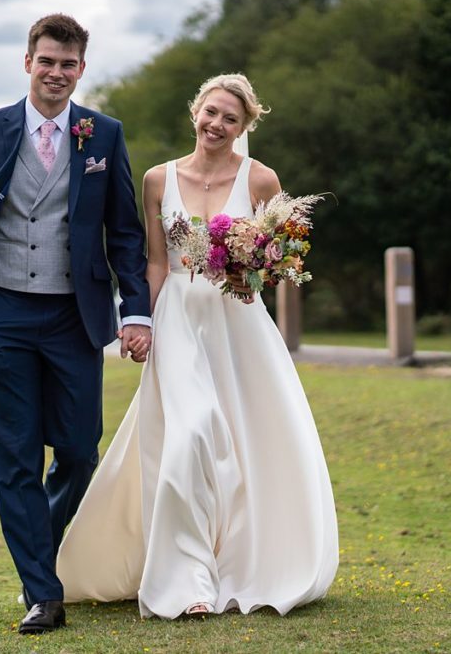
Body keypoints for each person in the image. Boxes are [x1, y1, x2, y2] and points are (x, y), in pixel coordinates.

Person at [56, 73, 339, 619]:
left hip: (239, 325)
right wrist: (141, 321)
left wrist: (255, 267)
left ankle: (235, 559)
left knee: (242, 443)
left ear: (244, 126)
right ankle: (187, 583)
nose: (217, 124)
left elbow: (281, 259)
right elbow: (155, 261)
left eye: (230, 119)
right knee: (188, 437)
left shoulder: (260, 180)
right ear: (195, 112)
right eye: (211, 112)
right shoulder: (159, 180)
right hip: (179, 320)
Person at [0, 14, 152, 635]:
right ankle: (43, 591)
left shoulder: (102, 135)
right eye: (47, 61)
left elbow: (126, 234)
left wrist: (136, 308)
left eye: (69, 64)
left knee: (80, 450)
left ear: (82, 70)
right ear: (27, 62)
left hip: (73, 313)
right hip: (1, 312)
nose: (57, 73)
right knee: (15, 455)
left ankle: (44, 552)